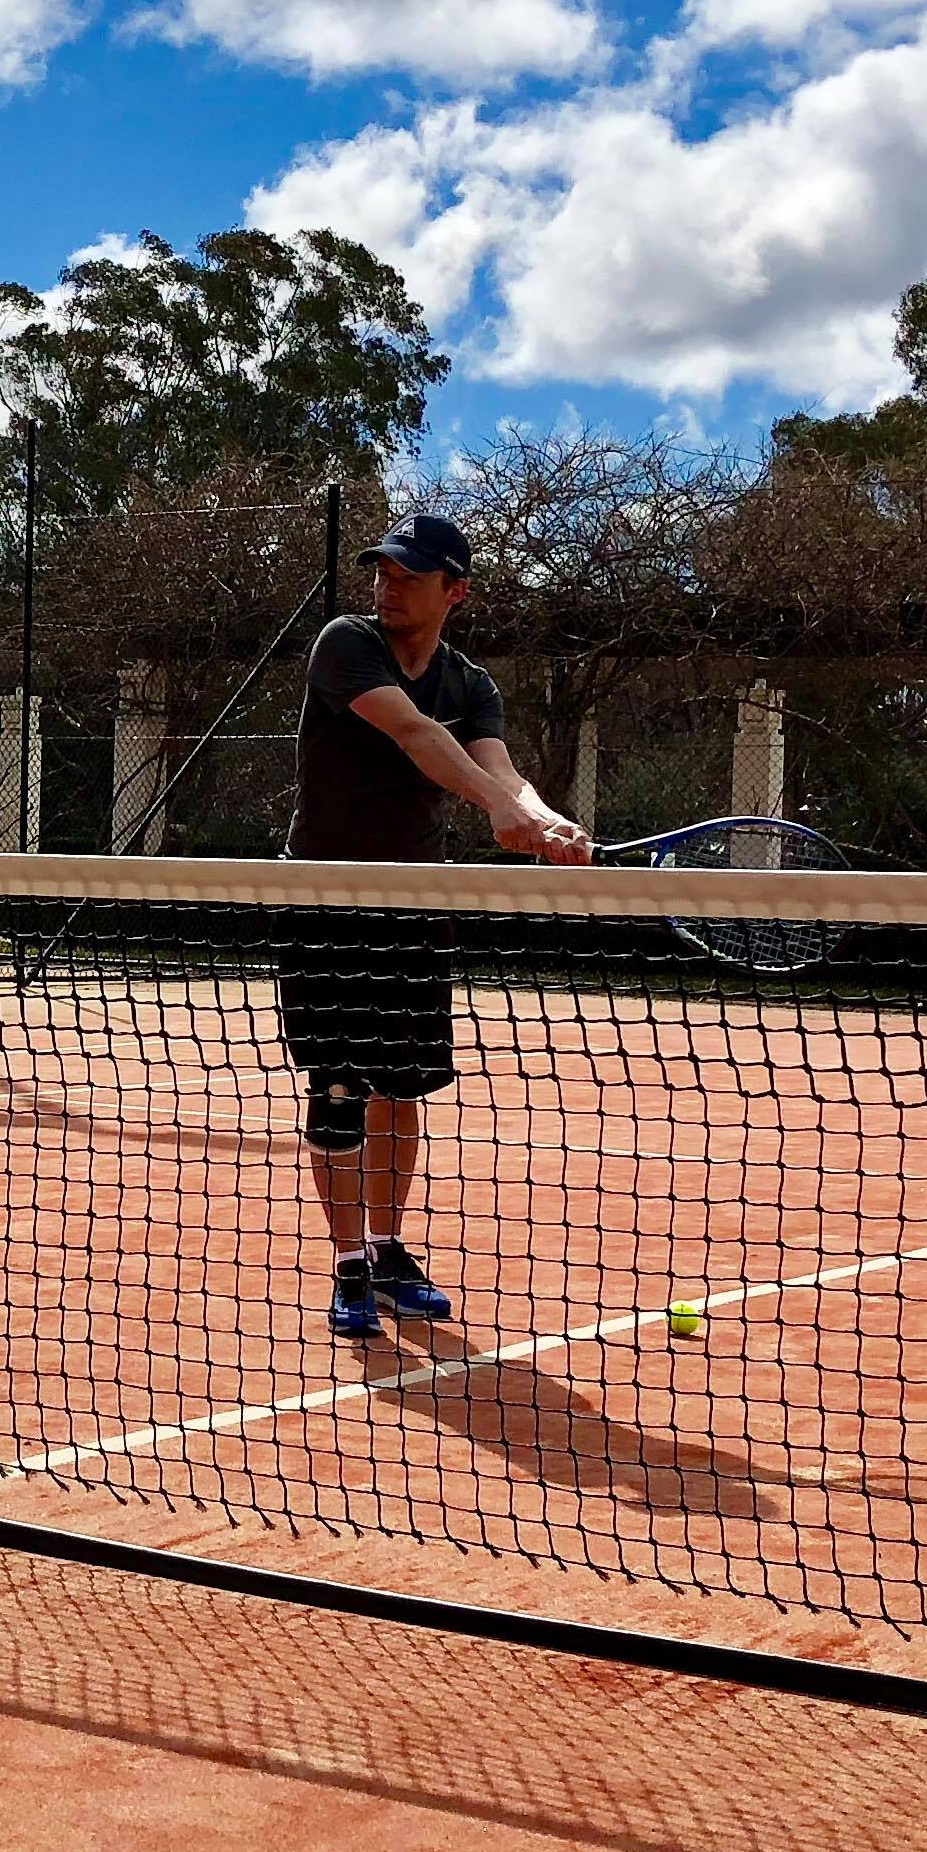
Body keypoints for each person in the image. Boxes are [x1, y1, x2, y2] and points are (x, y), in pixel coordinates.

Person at [278, 511, 592, 1344]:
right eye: (382, 571)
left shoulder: (471, 684)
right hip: (324, 902)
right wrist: (500, 810)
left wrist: (546, 820)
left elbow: (501, 769)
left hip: (414, 906)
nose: (387, 586)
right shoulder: (346, 644)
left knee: (402, 1090)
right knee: (338, 1090)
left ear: (455, 592)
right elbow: (417, 735)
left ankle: (386, 1250)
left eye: (408, 576)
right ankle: (349, 1264)